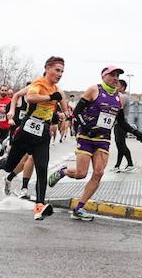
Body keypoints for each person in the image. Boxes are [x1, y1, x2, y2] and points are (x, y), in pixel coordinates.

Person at [0, 57, 69, 221]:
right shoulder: (38, 84)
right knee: (10, 166)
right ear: (47, 68)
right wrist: (50, 97)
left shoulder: (59, 90)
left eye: (62, 72)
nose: (60, 74)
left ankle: (39, 206)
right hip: (26, 131)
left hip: (43, 133)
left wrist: (62, 114)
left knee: (42, 168)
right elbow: (30, 98)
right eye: (57, 70)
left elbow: (65, 111)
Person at [48, 66, 125, 221]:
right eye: (112, 75)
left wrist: (135, 132)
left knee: (98, 173)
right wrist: (87, 128)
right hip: (86, 137)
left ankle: (79, 208)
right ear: (104, 76)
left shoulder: (120, 98)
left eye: (117, 76)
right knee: (81, 173)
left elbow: (120, 121)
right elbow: (76, 113)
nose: (116, 78)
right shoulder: (93, 90)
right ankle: (63, 172)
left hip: (103, 139)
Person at [111, 79, 142, 172]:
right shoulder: (119, 96)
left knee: (121, 145)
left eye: (117, 85)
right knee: (120, 145)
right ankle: (117, 166)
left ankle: (130, 164)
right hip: (118, 124)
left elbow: (118, 111)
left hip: (121, 124)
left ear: (122, 87)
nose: (115, 87)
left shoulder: (123, 97)